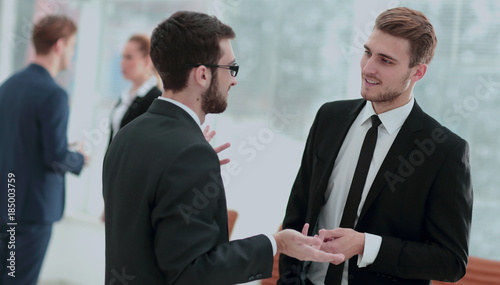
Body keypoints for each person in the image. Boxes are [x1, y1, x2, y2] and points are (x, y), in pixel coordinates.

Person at [103, 11, 344, 285]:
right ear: (203, 74)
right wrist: (276, 244)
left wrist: (190, 171)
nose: (234, 80)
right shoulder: (189, 154)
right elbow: (194, 271)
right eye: (231, 68)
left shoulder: (127, 134)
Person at [279, 7, 473, 285]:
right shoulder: (329, 118)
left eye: (386, 60)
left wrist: (365, 245)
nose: (368, 67)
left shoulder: (445, 151)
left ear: (417, 72)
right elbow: (297, 214)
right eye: (368, 52)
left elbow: (450, 261)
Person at [0, 15, 88, 284]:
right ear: (60, 46)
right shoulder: (54, 94)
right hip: (31, 213)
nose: (72, 55)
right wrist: (80, 159)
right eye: (73, 47)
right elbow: (56, 157)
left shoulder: (8, 86)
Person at [109, 34, 162, 145]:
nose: (122, 62)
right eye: (122, 56)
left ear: (147, 60)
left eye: (128, 57)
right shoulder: (125, 96)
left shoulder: (155, 98)